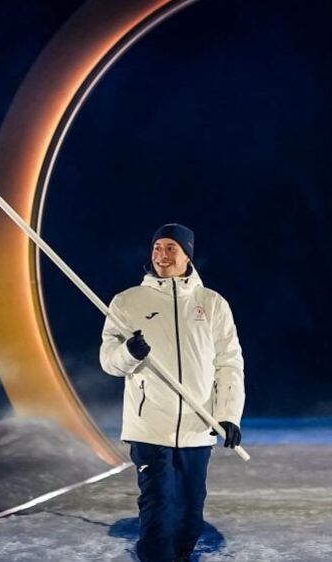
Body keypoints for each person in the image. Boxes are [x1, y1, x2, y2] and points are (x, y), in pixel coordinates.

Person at [99, 223, 245, 562]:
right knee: (158, 505)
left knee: (190, 513)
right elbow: (108, 360)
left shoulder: (212, 304)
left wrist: (228, 414)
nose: (161, 255)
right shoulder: (128, 301)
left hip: (198, 426)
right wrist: (129, 355)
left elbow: (229, 363)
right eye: (156, 248)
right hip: (149, 425)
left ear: (187, 254)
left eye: (170, 248)